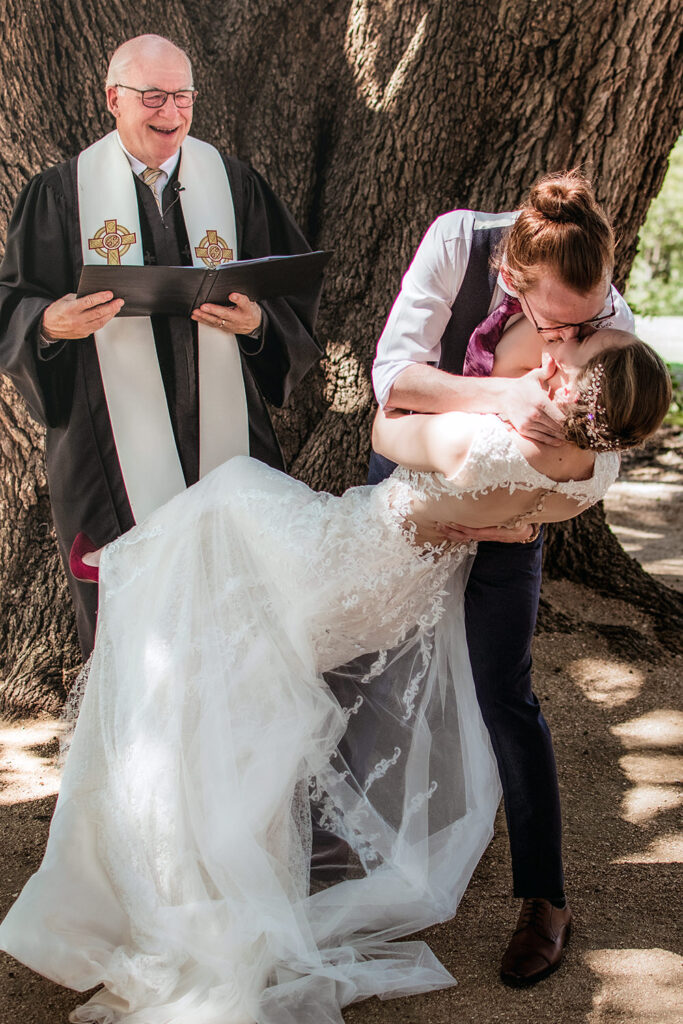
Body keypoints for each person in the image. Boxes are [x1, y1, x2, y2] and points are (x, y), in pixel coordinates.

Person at [0, 333, 671, 1024]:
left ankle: (126, 565)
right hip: (398, 596)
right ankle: (137, 572)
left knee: (231, 496)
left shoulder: (485, 441)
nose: (554, 358)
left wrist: (492, 401)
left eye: (571, 364)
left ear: (573, 393)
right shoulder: (593, 475)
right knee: (241, 637)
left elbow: (389, 424)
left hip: (346, 558)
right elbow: (511, 519)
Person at [366, 170, 636, 985]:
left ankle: (543, 899)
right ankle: (350, 856)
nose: (571, 339)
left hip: (513, 513)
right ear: (513, 282)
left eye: (586, 322)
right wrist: (504, 400)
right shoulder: (458, 242)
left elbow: (600, 465)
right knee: (370, 670)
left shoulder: (604, 312)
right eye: (558, 321)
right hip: (411, 481)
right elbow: (392, 380)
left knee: (504, 692)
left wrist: (522, 522)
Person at [0, 34, 323, 658]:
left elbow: (292, 293)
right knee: (131, 629)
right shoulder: (61, 195)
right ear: (112, 98)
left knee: (243, 613)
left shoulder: (233, 186)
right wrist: (49, 324)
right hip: (105, 451)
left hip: (226, 441)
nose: (170, 114)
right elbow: (14, 302)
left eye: (182, 97)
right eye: (152, 96)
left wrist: (258, 325)